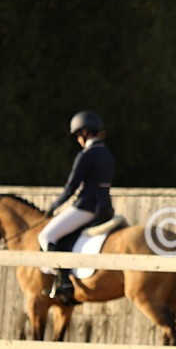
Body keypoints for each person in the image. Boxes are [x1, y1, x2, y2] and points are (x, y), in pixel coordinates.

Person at [38, 110, 115, 305]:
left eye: (78, 135)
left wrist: (54, 206)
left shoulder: (86, 155)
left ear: (85, 132)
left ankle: (64, 282)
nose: (78, 140)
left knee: (46, 236)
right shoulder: (107, 153)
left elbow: (71, 187)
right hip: (105, 208)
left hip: (85, 207)